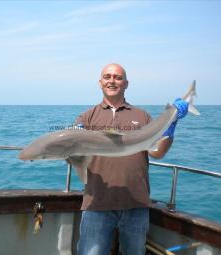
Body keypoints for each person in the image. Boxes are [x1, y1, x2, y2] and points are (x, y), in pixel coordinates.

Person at [74, 63, 188, 255]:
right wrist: (74, 141)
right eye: (107, 76)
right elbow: (74, 156)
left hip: (136, 205)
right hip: (96, 205)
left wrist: (170, 129)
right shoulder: (86, 117)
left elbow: (157, 153)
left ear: (126, 83)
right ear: (100, 82)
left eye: (118, 77)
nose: (112, 81)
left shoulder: (142, 116)